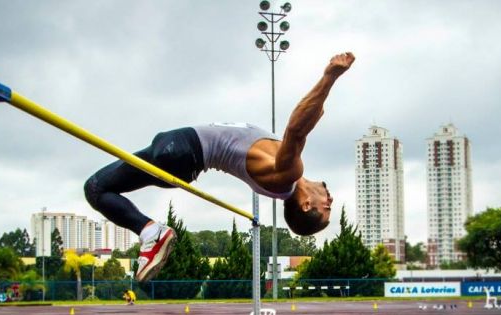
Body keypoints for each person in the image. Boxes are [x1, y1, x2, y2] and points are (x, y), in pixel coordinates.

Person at [84, 52, 356, 282]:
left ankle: (151, 233)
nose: (330, 198)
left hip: (183, 152)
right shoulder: (286, 178)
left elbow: (297, 130)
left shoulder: (287, 176)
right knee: (97, 187)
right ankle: (148, 231)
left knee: (96, 188)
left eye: (327, 206)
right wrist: (321, 99)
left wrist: (329, 77)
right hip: (180, 153)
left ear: (307, 205)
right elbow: (309, 116)